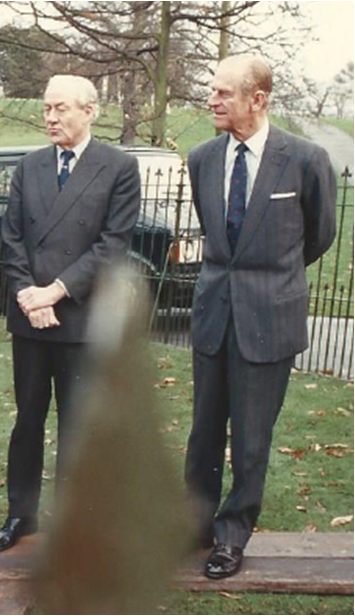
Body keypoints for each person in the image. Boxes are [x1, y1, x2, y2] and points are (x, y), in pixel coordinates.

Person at [184, 55, 336, 579]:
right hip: (212, 317)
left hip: (269, 320)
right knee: (203, 432)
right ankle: (194, 526)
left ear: (258, 99)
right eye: (212, 91)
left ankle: (231, 535)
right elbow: (217, 235)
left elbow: (317, 237)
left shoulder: (305, 159)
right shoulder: (201, 158)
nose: (212, 99)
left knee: (250, 439)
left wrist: (270, 280)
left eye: (224, 92)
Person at [0, 75, 142, 553]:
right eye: (46, 109)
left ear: (90, 110)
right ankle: (21, 516)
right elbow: (9, 236)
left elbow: (112, 245)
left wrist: (55, 291)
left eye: (61, 109)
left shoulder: (118, 167)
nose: (51, 118)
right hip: (31, 318)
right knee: (28, 420)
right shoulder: (30, 165)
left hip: (79, 318)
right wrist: (29, 296)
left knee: (78, 425)